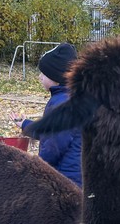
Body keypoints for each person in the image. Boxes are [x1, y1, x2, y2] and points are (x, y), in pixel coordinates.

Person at [20, 42, 82, 186]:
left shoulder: (62, 105)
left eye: (44, 73)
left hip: (64, 181)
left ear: (56, 78)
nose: (40, 77)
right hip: (74, 177)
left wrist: (36, 167)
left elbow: (52, 148)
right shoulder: (69, 98)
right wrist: (25, 124)